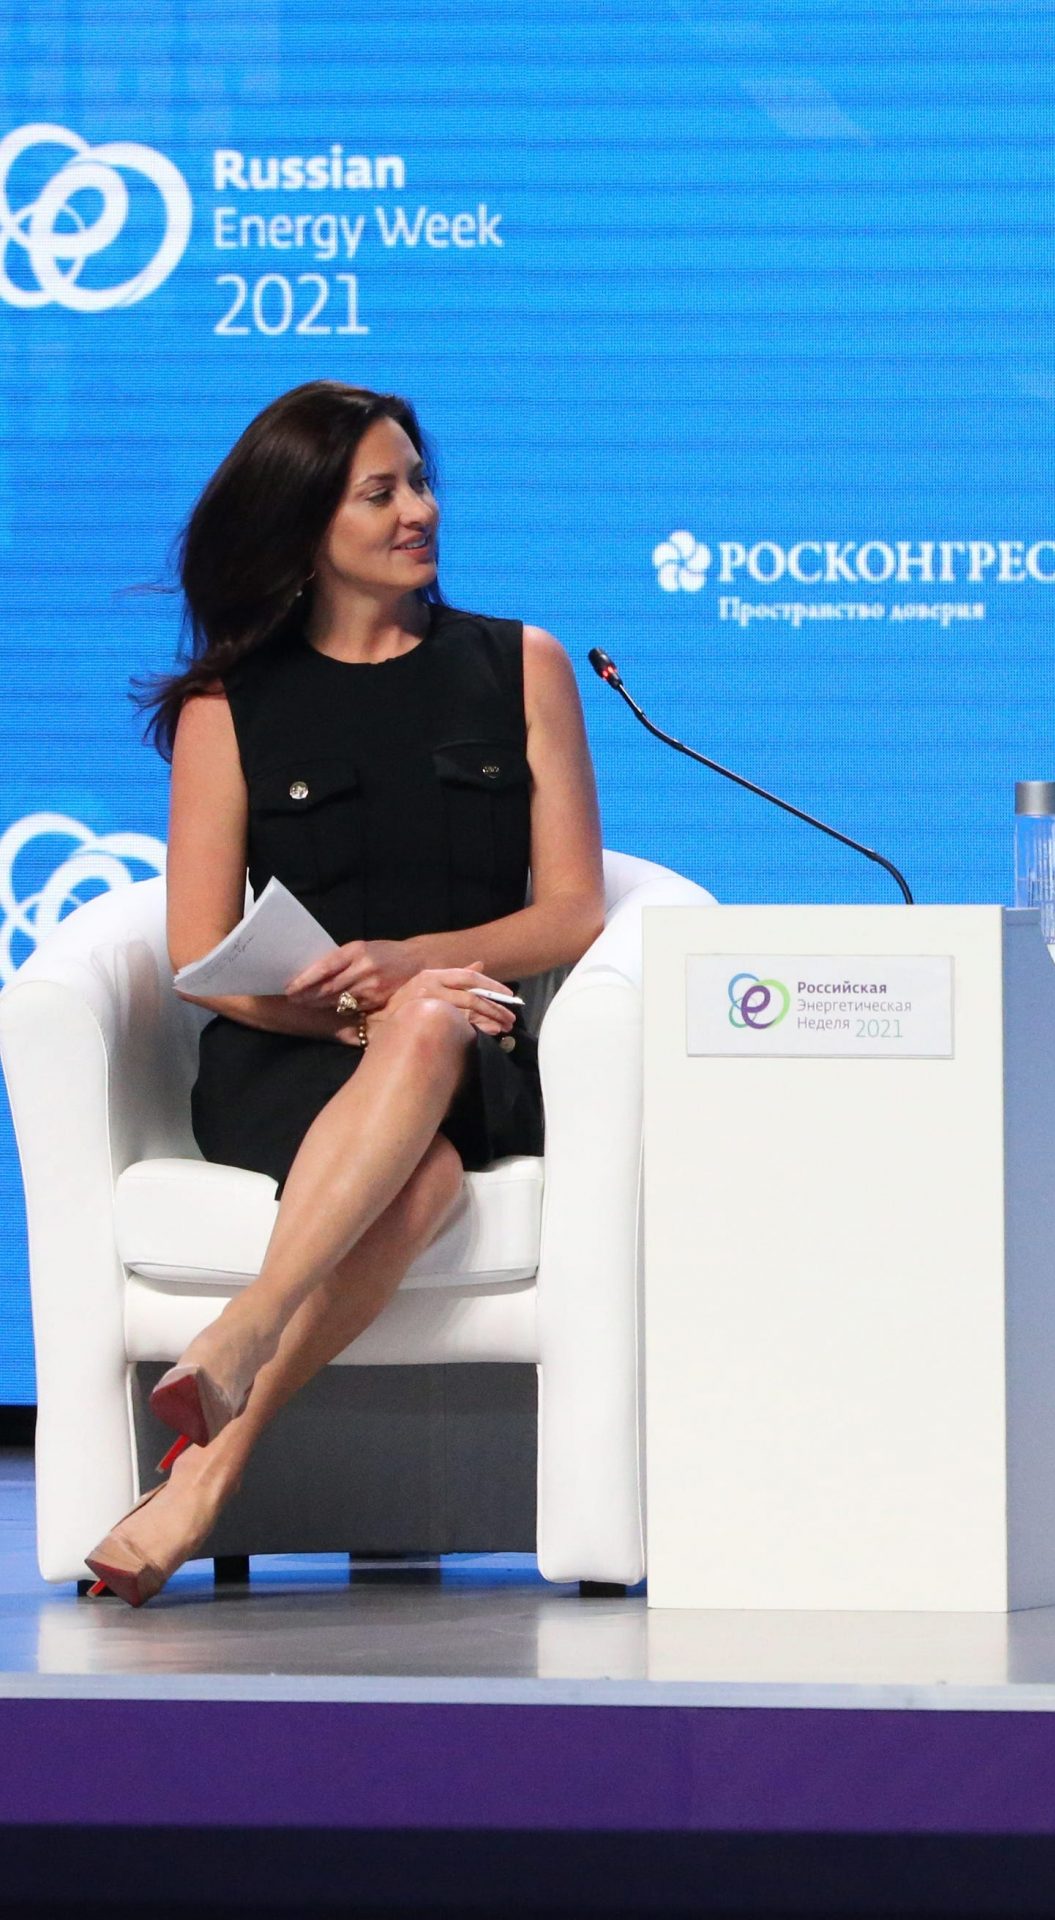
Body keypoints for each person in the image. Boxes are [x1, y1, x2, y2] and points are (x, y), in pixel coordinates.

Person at [84, 381, 606, 1605]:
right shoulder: (229, 706)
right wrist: (349, 1012)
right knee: (414, 1178)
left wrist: (411, 971)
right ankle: (217, 1454)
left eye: (420, 482)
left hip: (472, 1050)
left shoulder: (517, 664)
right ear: (307, 522)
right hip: (289, 1065)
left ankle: (226, 1409)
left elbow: (571, 909)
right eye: (381, 492)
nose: (418, 510)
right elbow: (201, 952)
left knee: (430, 1023)